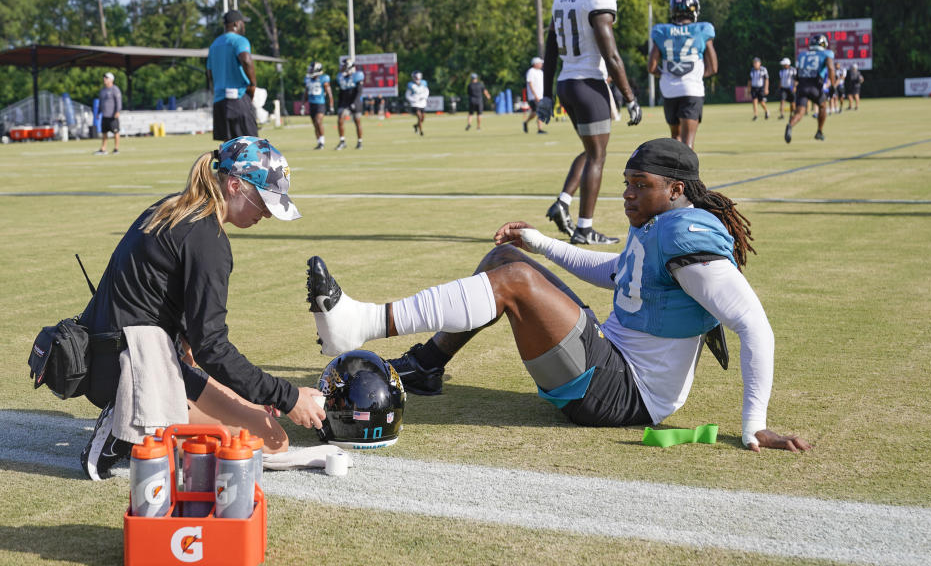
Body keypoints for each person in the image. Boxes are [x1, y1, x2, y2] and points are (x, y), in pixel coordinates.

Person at [307, 138, 810, 454]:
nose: (628, 194)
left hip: (625, 397)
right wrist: (540, 243)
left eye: (641, 185)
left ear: (677, 189)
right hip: (611, 364)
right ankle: (427, 363)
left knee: (515, 283)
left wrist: (755, 424)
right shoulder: (661, 224)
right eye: (626, 183)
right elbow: (616, 272)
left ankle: (362, 323)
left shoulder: (687, 238)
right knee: (508, 262)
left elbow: (754, 324)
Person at [77, 136, 326, 480]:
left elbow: (171, 310)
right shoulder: (208, 241)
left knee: (257, 415)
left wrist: (266, 394)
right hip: (132, 366)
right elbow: (213, 347)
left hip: (111, 352)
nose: (267, 213)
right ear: (236, 185)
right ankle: (129, 422)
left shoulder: (176, 207)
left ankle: (140, 413)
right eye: (264, 202)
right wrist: (288, 396)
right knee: (270, 441)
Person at [539, 0, 642, 246]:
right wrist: (631, 96)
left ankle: (563, 201)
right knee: (598, 155)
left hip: (566, 83)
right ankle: (584, 229)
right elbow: (611, 56)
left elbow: (549, 52)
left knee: (590, 150)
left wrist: (546, 95)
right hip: (589, 84)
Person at [648, 0, 717, 149]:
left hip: (669, 90)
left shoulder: (661, 31)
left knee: (675, 138)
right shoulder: (702, 29)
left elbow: (651, 67)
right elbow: (713, 68)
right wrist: (698, 75)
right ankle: (686, 174)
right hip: (691, 89)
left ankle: (673, 173)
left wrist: (665, 74)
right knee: (688, 143)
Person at [207, 9, 258, 142]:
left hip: (219, 101)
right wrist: (253, 84)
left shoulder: (214, 45)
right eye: (243, 23)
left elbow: (209, 73)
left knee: (228, 149)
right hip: (238, 98)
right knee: (250, 145)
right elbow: (246, 59)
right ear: (236, 24)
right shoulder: (240, 41)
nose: (244, 26)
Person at [784, 34, 835, 144]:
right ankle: (819, 131)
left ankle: (790, 125)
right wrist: (833, 85)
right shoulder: (827, 53)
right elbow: (831, 68)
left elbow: (797, 73)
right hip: (815, 86)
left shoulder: (802, 55)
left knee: (800, 112)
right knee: (822, 106)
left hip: (802, 86)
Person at [302, 61, 334, 149]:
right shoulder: (308, 79)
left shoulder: (324, 79)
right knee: (315, 124)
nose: (310, 71)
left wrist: (331, 106)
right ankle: (319, 142)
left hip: (320, 103)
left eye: (312, 69)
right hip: (312, 104)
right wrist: (303, 105)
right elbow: (305, 93)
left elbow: (329, 93)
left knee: (318, 121)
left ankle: (322, 142)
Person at [335, 58, 365, 150]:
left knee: (357, 121)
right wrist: (339, 104)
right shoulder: (340, 77)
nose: (341, 67)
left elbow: (359, 91)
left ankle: (360, 142)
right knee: (340, 119)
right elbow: (341, 92)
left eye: (343, 65)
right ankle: (342, 141)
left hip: (355, 102)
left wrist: (354, 102)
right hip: (345, 103)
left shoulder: (357, 76)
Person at [94, 72, 122, 155]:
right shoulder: (102, 90)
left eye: (106, 78)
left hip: (112, 115)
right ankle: (103, 149)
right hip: (104, 115)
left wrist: (117, 111)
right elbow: (100, 103)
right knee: (104, 133)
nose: (104, 79)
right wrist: (98, 113)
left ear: (111, 80)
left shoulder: (115, 89)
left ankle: (116, 149)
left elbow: (118, 102)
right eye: (104, 78)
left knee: (115, 132)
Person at [523, 57, 546, 134]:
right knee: (537, 111)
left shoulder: (541, 72)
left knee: (536, 112)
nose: (541, 64)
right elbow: (530, 84)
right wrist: (535, 95)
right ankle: (539, 129)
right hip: (533, 96)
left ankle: (526, 122)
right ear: (535, 64)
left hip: (541, 95)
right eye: (540, 63)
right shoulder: (531, 72)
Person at [405, 71, 430, 136]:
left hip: (422, 103)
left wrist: (424, 97)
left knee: (422, 118)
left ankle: (416, 126)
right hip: (415, 104)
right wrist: (413, 100)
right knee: (419, 116)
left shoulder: (424, 83)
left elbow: (427, 91)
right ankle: (421, 131)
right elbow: (407, 95)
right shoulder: (411, 85)